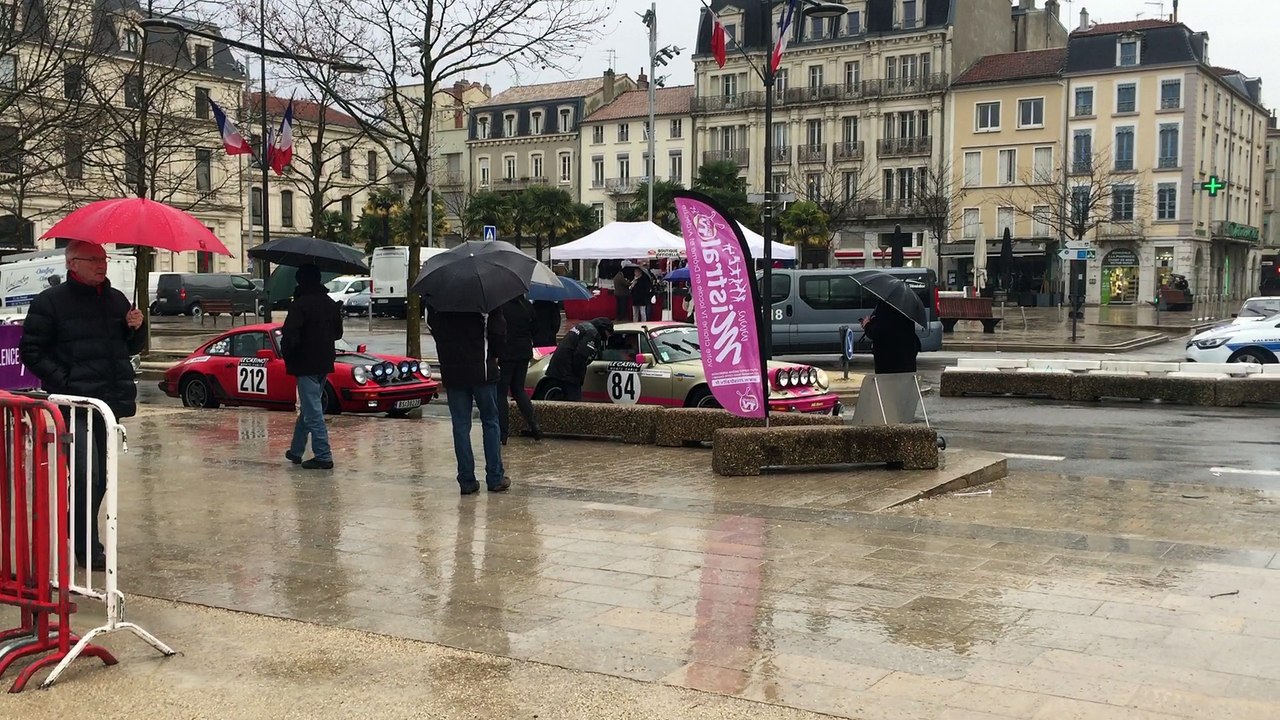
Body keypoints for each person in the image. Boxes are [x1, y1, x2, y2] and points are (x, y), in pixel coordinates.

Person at [20, 240, 145, 570]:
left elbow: (129, 348)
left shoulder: (116, 299)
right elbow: (31, 351)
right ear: (72, 263)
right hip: (74, 405)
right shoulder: (50, 302)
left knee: (101, 479)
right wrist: (66, 382)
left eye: (104, 259)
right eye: (93, 260)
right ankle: (87, 547)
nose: (101, 265)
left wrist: (136, 328)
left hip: (107, 404)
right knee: (87, 475)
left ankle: (75, 526)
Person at [427, 305, 509, 495]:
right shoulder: (486, 300)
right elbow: (498, 333)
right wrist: (497, 354)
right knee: (490, 421)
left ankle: (466, 479)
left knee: (460, 426)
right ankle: (495, 477)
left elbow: (434, 330)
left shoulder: (437, 302)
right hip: (482, 371)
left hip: (453, 373)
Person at [280, 263, 343, 470]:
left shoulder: (300, 305)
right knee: (310, 406)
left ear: (301, 281)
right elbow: (338, 334)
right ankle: (296, 450)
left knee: (313, 411)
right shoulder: (330, 303)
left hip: (304, 363)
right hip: (325, 361)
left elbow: (290, 336)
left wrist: (289, 356)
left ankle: (323, 455)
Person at [498, 295, 541, 444]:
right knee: (518, 390)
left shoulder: (502, 306)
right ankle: (534, 425)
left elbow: (497, 328)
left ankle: (503, 433)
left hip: (507, 353)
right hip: (524, 352)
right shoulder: (527, 305)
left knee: (501, 393)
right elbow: (536, 329)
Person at [543, 317, 612, 401]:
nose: (607, 336)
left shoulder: (583, 326)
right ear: (603, 328)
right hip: (568, 371)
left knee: (563, 398)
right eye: (608, 333)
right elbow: (581, 356)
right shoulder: (592, 333)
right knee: (574, 401)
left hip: (559, 366)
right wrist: (578, 377)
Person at [861, 300, 919, 374]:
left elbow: (877, 332)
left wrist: (867, 324)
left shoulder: (885, 306)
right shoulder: (908, 305)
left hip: (888, 361)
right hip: (907, 360)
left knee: (888, 381)